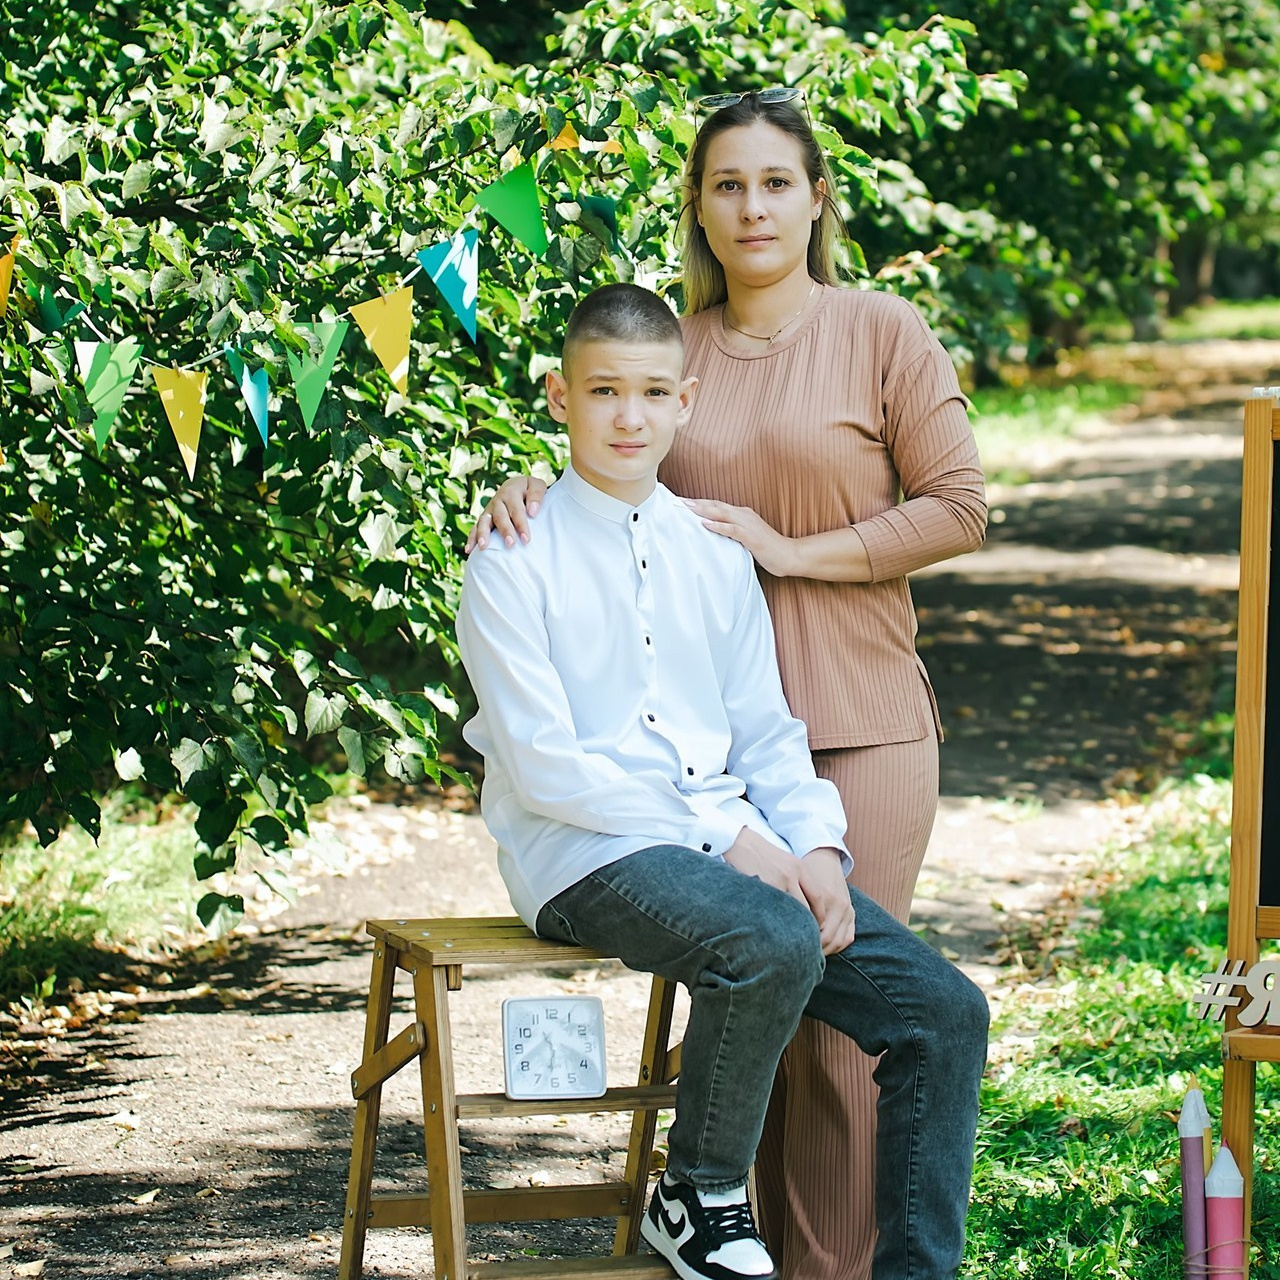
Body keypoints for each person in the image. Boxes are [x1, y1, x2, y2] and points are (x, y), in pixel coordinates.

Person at [465, 89, 988, 1280]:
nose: (751, 204)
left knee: (898, 1018)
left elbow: (954, 510)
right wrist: (514, 489)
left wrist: (804, 842)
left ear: (815, 196)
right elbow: (552, 753)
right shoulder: (649, 370)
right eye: (724, 183)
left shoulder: (876, 331)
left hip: (826, 730)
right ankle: (710, 1207)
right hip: (644, 816)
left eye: (775, 180)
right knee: (774, 966)